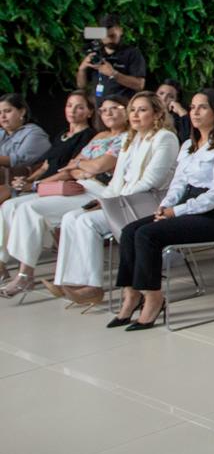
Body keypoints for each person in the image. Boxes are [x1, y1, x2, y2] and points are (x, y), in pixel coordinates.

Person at [108, 89, 214, 329]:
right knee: (130, 231)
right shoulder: (188, 146)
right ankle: (131, 295)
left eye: (202, 107)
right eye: (192, 107)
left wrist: (177, 211)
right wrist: (166, 205)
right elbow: (179, 184)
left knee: (147, 235)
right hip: (184, 208)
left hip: (212, 216)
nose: (195, 112)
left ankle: (153, 297)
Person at [47, 92, 180, 308]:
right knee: (71, 217)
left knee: (87, 222)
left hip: (147, 203)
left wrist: (113, 203)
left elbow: (150, 181)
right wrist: (104, 200)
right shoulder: (130, 139)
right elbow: (117, 180)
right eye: (132, 110)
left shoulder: (165, 138)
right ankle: (69, 281)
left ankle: (92, 287)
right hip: (123, 200)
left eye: (142, 110)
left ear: (157, 114)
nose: (135, 114)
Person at [0, 96, 128, 298]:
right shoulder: (100, 136)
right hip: (80, 183)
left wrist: (83, 166)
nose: (108, 113)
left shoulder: (127, 138)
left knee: (29, 208)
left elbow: (99, 166)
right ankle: (14, 269)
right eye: (104, 110)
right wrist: (83, 168)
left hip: (99, 189)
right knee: (14, 205)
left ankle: (25, 275)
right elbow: (72, 167)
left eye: (114, 108)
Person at [0, 91, 93, 208]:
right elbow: (45, 167)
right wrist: (27, 180)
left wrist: (34, 185)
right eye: (69, 106)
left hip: (59, 186)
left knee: (13, 205)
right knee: (8, 202)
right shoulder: (62, 135)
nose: (72, 111)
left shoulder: (88, 136)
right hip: (41, 184)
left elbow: (69, 171)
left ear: (90, 112)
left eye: (79, 107)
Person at [75, 14, 147, 102]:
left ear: (121, 31)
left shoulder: (132, 53)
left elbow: (139, 85)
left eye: (113, 36)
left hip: (123, 106)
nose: (109, 40)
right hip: (100, 107)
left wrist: (114, 74)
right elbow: (81, 86)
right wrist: (82, 69)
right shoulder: (95, 54)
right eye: (106, 36)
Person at [0, 94, 51, 174]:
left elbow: (19, 161)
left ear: (22, 112)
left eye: (7, 111)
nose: (2, 116)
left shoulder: (35, 133)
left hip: (25, 178)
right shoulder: (1, 132)